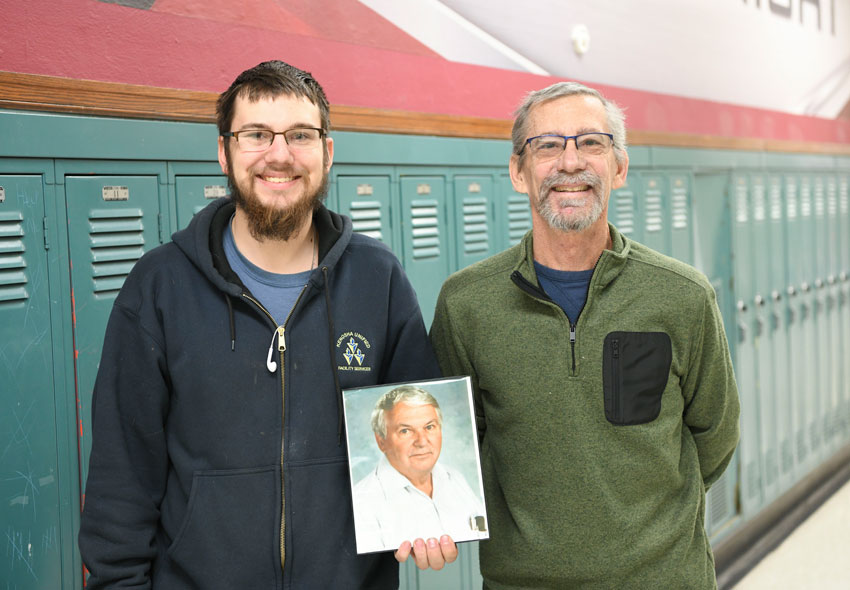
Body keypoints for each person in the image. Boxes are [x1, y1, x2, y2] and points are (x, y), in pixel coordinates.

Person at [78, 60, 454, 589]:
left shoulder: (377, 277)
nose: (279, 154)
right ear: (224, 152)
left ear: (327, 152)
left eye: (300, 134)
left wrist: (430, 519)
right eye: (256, 134)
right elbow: (123, 476)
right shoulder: (160, 287)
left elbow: (421, 424)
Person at [430, 81, 740, 589]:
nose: (570, 162)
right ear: (518, 171)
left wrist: (642, 530)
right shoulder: (467, 305)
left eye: (591, 142)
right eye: (547, 145)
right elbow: (460, 442)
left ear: (618, 168)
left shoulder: (682, 296)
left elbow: (716, 433)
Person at [352, 385, 488, 553]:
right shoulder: (363, 503)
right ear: (381, 441)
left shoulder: (455, 478)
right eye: (405, 431)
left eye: (429, 427)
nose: (422, 441)